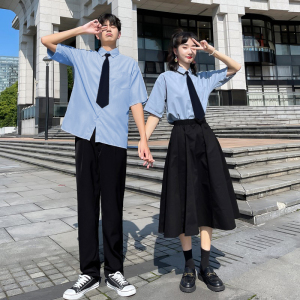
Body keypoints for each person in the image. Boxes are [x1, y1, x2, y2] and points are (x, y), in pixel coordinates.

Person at [41, 13, 153, 300]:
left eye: (112, 27)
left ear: (119, 34)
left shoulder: (129, 65)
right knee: (87, 204)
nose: (107, 30)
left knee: (113, 205)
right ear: (96, 33)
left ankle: (114, 270)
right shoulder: (82, 58)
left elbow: (136, 102)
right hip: (86, 135)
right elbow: (47, 39)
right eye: (102, 27)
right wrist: (82, 28)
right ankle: (88, 273)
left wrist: (143, 138)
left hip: (114, 137)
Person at [142, 29, 241, 294]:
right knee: (184, 199)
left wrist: (211, 50)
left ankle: (206, 266)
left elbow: (236, 67)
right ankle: (188, 266)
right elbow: (153, 112)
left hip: (205, 138)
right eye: (183, 46)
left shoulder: (204, 79)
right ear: (174, 51)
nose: (189, 50)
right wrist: (144, 141)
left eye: (192, 47)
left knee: (207, 197)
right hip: (181, 138)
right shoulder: (165, 78)